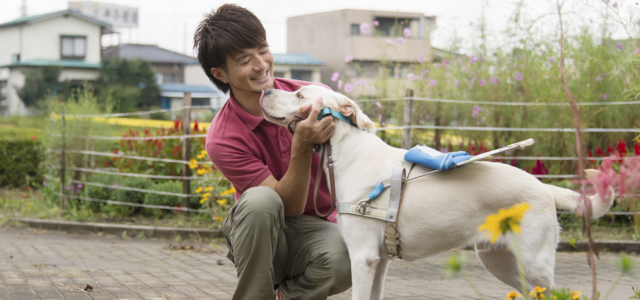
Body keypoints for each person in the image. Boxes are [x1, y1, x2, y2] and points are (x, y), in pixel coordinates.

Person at [194, 4, 352, 300]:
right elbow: (287, 207)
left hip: (317, 229)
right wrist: (302, 144)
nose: (260, 64)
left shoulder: (313, 97)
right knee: (261, 200)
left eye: (262, 49)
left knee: (352, 255)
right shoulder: (223, 138)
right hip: (264, 232)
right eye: (244, 59)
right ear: (220, 74)